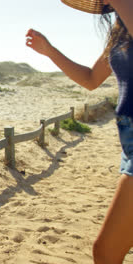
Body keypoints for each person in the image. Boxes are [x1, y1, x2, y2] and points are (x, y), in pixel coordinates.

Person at [26, 0, 132, 263]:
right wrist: (50, 51)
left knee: (106, 252)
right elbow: (90, 79)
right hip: (128, 143)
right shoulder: (119, 28)